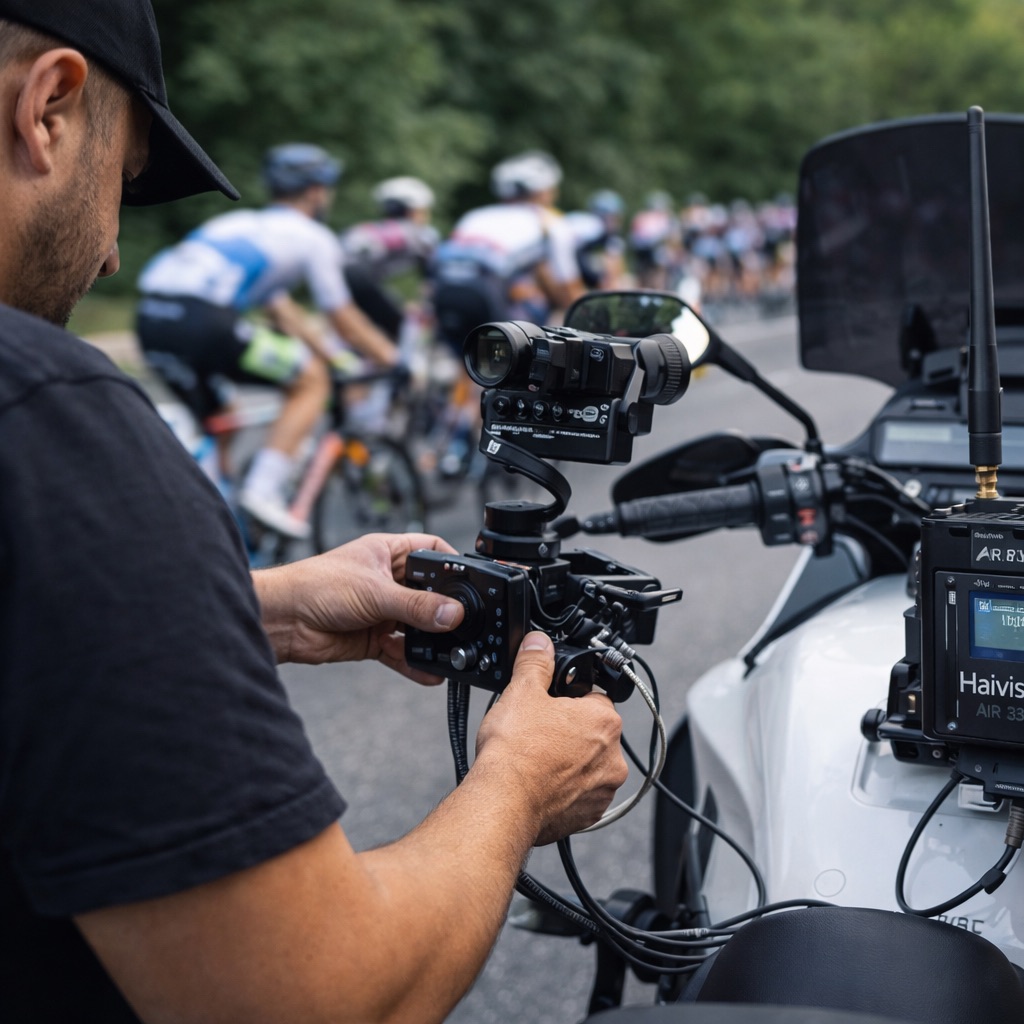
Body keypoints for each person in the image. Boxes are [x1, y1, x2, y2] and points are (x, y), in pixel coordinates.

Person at [0, 5, 627, 1022]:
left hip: (185, 325)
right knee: (305, 388)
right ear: (50, 107)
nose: (110, 249)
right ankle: (261, 483)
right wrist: (518, 785)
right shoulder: (45, 417)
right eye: (121, 185)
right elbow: (317, 1000)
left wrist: (256, 607)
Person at [136, 143, 403, 538]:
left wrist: (324, 351)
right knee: (312, 380)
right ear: (315, 191)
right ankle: (262, 493)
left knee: (219, 414)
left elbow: (284, 313)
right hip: (204, 319)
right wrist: (393, 357)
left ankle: (216, 513)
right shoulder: (313, 237)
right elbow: (344, 318)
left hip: (151, 316)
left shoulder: (241, 222)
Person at [432, 150, 584, 346]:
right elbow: (569, 288)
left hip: (444, 290)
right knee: (513, 362)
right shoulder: (549, 221)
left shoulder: (475, 215)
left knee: (470, 361)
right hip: (485, 292)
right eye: (553, 189)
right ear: (542, 192)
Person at [341, 175, 440, 343]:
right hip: (359, 278)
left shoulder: (364, 229)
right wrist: (427, 308)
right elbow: (433, 278)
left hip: (342, 279)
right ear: (413, 211)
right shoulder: (421, 234)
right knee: (402, 330)